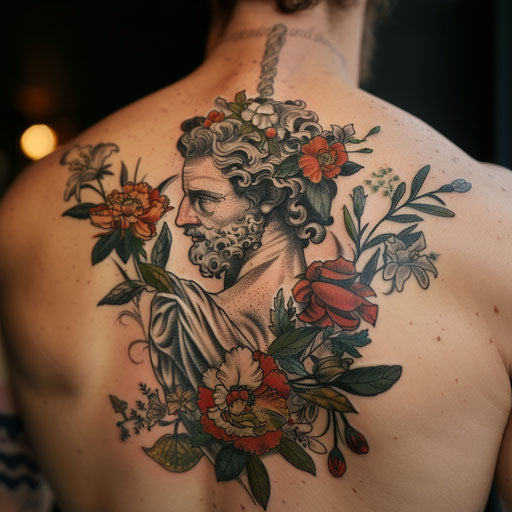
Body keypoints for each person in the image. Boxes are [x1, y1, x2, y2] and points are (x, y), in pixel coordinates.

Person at [0, 1, 511, 511]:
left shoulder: (28, 212)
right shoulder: (495, 226)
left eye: (203, 199)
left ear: (269, 198)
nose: (182, 219)